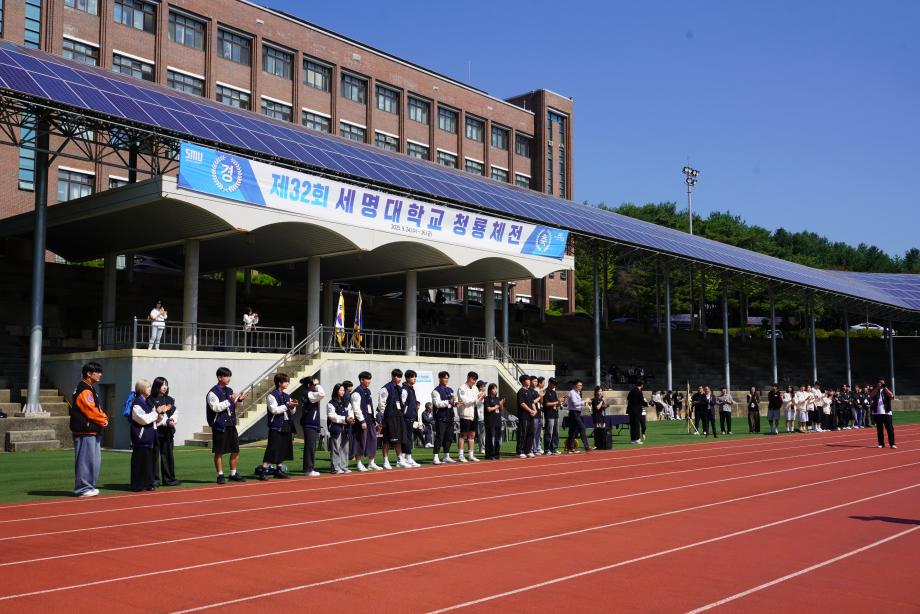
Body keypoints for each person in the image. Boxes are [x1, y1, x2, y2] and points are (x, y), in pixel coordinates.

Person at [70, 362, 108, 497]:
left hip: (91, 430)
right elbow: (90, 410)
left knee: (93, 460)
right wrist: (103, 419)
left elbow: (95, 409)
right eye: (97, 372)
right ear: (88, 374)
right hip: (84, 430)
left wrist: (102, 417)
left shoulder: (89, 388)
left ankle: (89, 486)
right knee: (86, 460)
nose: (100, 374)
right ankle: (82, 488)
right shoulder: (84, 389)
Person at [206, 366, 247, 484]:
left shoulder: (229, 390)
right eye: (226, 376)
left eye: (229, 376)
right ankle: (220, 474)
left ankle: (233, 473)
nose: (229, 378)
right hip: (219, 425)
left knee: (235, 449)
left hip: (231, 423)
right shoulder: (212, 393)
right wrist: (230, 400)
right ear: (219, 377)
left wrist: (239, 401)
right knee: (219, 451)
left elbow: (236, 408)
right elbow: (216, 408)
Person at [129, 379, 164, 492]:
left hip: (150, 436)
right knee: (140, 461)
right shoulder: (137, 404)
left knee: (150, 461)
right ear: (142, 389)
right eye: (148, 387)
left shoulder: (148, 402)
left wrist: (160, 416)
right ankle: (138, 484)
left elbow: (154, 420)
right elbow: (143, 420)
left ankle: (149, 482)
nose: (150, 389)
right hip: (141, 437)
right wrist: (156, 413)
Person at [150, 377, 179, 487]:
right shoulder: (151, 399)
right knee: (154, 456)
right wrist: (166, 421)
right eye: (162, 384)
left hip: (168, 432)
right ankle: (154, 480)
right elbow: (156, 416)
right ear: (156, 386)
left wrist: (173, 420)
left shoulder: (170, 399)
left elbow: (175, 412)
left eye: (166, 384)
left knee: (168, 455)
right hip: (156, 431)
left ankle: (169, 479)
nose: (165, 386)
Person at [378, 369, 409, 469]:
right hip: (389, 417)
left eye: (400, 377)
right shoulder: (386, 389)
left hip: (399, 416)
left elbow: (402, 403)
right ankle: (385, 460)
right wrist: (382, 418)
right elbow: (381, 405)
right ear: (392, 377)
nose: (398, 379)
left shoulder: (400, 389)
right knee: (387, 439)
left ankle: (399, 459)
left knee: (399, 439)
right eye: (397, 376)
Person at [352, 371, 381, 471]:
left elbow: (370, 407)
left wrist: (374, 420)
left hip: (370, 421)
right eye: (367, 379)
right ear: (361, 380)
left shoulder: (368, 391)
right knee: (360, 441)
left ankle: (371, 463)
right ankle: (359, 463)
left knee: (373, 440)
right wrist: (362, 421)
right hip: (362, 422)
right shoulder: (356, 392)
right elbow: (356, 409)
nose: (369, 381)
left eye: (370, 379)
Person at [298, 376, 323, 477]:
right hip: (309, 423)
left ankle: (310, 468)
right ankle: (308, 469)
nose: (315, 386)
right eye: (314, 384)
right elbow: (322, 394)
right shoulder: (308, 393)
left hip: (312, 423)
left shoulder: (309, 392)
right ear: (309, 385)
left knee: (312, 446)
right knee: (310, 447)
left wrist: (315, 385)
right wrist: (317, 385)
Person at [326, 383, 353, 474]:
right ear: (336, 391)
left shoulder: (346, 402)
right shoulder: (331, 403)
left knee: (345, 447)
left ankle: (344, 467)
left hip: (346, 427)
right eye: (340, 390)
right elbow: (332, 416)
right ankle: (335, 468)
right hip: (336, 428)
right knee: (336, 448)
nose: (342, 392)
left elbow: (350, 411)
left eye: (343, 390)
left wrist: (351, 418)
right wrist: (345, 419)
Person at [431, 371, 457, 464]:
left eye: (447, 378)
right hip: (441, 417)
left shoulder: (450, 390)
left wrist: (456, 403)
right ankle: (436, 456)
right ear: (440, 378)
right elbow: (437, 404)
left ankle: (446, 456)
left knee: (449, 437)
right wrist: (449, 402)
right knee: (439, 437)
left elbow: (453, 401)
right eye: (444, 378)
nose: (446, 380)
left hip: (450, 416)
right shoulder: (435, 391)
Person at [456, 371, 482, 462]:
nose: (474, 381)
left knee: (472, 435)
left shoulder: (475, 388)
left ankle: (471, 455)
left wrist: (481, 398)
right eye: (472, 379)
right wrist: (476, 398)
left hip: (474, 412)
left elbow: (477, 402)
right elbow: (465, 401)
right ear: (468, 377)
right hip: (465, 414)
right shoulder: (462, 388)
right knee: (463, 434)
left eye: (475, 379)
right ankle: (460, 455)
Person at [400, 370, 422, 468]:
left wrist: (415, 405)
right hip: (406, 418)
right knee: (407, 438)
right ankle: (408, 458)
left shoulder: (411, 388)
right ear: (408, 378)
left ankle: (405, 457)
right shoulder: (405, 389)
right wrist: (406, 412)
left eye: (415, 377)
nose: (415, 379)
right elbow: (402, 403)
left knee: (408, 437)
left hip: (411, 417)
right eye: (413, 377)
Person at [564, 379, 590, 452]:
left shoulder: (578, 392)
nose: (580, 387)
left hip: (577, 413)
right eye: (579, 385)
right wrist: (585, 401)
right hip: (573, 413)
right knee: (582, 428)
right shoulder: (572, 393)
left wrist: (582, 406)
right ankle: (586, 446)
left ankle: (570, 447)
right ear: (575, 385)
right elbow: (575, 403)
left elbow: (578, 404)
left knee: (572, 430)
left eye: (581, 385)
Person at [870, 379, 896, 449]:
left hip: (887, 412)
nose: (881, 384)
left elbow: (891, 396)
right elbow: (871, 396)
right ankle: (881, 443)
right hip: (878, 413)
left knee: (890, 429)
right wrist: (878, 388)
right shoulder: (875, 390)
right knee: (879, 429)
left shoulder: (887, 390)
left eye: (883, 383)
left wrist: (885, 387)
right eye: (880, 383)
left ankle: (892, 443)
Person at [517, 375, 538, 457]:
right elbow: (522, 403)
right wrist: (530, 410)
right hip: (524, 415)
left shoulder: (529, 391)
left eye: (529, 380)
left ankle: (528, 450)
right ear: (523, 382)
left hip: (531, 415)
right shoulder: (521, 391)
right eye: (527, 380)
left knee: (531, 432)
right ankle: (520, 451)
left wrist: (535, 410)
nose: (529, 381)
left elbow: (532, 402)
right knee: (523, 433)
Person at [483, 383, 504, 459]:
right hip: (490, 421)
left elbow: (501, 409)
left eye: (496, 389)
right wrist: (497, 406)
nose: (495, 390)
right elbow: (488, 409)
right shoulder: (487, 398)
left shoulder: (497, 398)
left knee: (498, 439)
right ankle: (489, 455)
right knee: (490, 438)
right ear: (490, 390)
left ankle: (496, 454)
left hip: (498, 420)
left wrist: (501, 404)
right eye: (494, 389)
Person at [542, 377, 562, 454]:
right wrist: (557, 402)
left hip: (555, 414)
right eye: (553, 384)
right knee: (549, 432)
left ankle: (554, 448)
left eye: (555, 384)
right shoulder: (545, 392)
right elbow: (547, 404)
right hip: (549, 414)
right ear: (549, 383)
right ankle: (547, 449)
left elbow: (556, 403)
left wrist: (559, 402)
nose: (554, 386)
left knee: (556, 432)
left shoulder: (554, 392)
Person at [590, 385, 609, 450]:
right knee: (597, 430)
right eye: (599, 391)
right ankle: (596, 444)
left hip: (601, 416)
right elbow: (597, 407)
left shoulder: (601, 399)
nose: (600, 392)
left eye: (601, 391)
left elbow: (602, 407)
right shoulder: (595, 399)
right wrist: (601, 401)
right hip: (596, 416)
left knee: (602, 430)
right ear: (596, 392)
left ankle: (601, 444)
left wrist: (606, 406)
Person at [532, 376, 545, 455]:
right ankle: (534, 448)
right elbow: (533, 402)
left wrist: (542, 396)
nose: (544, 384)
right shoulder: (534, 391)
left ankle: (538, 447)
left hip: (539, 413)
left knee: (539, 432)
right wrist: (540, 396)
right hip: (535, 414)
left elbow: (541, 402)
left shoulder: (540, 391)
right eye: (543, 383)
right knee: (535, 432)